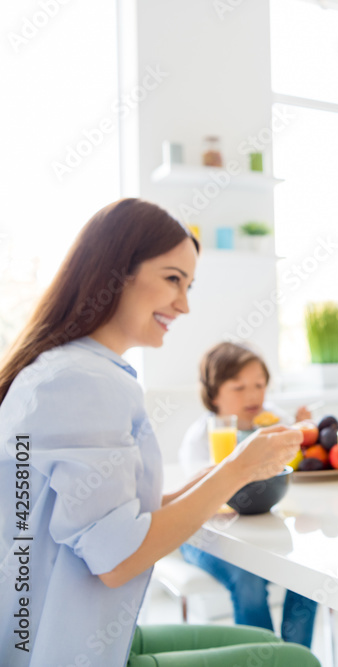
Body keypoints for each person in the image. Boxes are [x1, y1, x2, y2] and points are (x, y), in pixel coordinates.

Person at [0, 199, 319, 666]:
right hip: (60, 652)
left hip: (68, 636)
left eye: (188, 285)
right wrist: (233, 472)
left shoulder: (66, 370)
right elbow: (115, 561)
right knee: (296, 661)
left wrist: (215, 479)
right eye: (173, 279)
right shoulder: (82, 382)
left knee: (273, 647)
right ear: (115, 271)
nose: (184, 304)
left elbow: (103, 520)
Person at [179, 341, 317, 647]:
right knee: (248, 579)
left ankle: (295, 657)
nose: (253, 395)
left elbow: (296, 465)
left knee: (310, 572)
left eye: (259, 385)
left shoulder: (273, 422)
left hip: (260, 532)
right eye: (239, 388)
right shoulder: (202, 438)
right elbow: (205, 502)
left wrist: (302, 431)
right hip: (204, 536)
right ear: (213, 395)